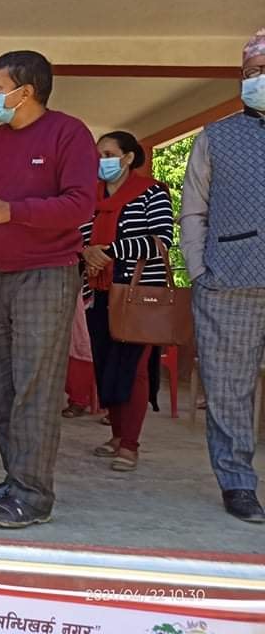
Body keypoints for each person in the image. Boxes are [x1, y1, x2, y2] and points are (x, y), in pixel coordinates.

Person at [0, 50, 97, 527]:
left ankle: (33, 495)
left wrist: (12, 211)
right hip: (3, 275)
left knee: (36, 385)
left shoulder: (68, 134)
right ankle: (15, 478)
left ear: (25, 91)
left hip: (48, 273)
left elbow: (80, 205)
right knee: (4, 383)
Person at [181, 28, 265, 524]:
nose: (257, 80)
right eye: (251, 73)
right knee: (229, 390)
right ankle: (237, 483)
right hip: (229, 282)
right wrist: (199, 270)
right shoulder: (216, 137)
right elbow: (194, 209)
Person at [80, 131, 173, 472]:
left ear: (129, 157)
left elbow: (161, 240)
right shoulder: (90, 195)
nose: (101, 160)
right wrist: (87, 253)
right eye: (98, 154)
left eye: (108, 154)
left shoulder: (152, 192)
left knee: (133, 368)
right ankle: (116, 435)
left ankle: (130, 445)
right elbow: (79, 236)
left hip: (138, 295)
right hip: (99, 291)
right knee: (106, 364)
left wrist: (110, 252)